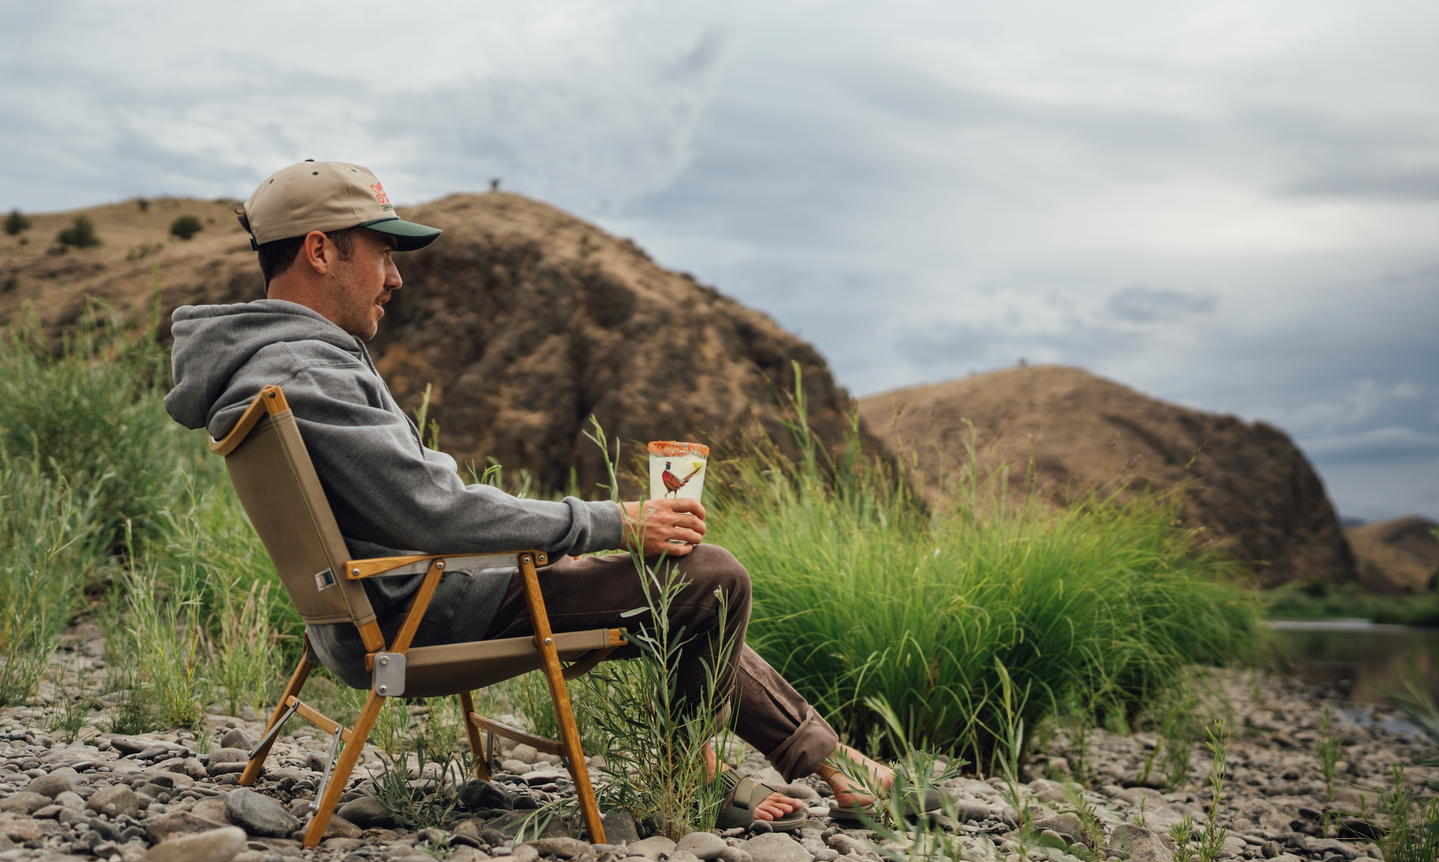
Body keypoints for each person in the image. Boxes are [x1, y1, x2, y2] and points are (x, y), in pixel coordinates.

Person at [163, 160, 902, 828]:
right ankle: (711, 770)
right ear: (321, 251)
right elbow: (433, 510)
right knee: (708, 576)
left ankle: (822, 761)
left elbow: (416, 499)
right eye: (383, 252)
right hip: (417, 615)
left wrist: (550, 535)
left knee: (679, 591)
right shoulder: (309, 370)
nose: (395, 277)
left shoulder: (280, 360)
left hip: (385, 604)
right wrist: (612, 521)